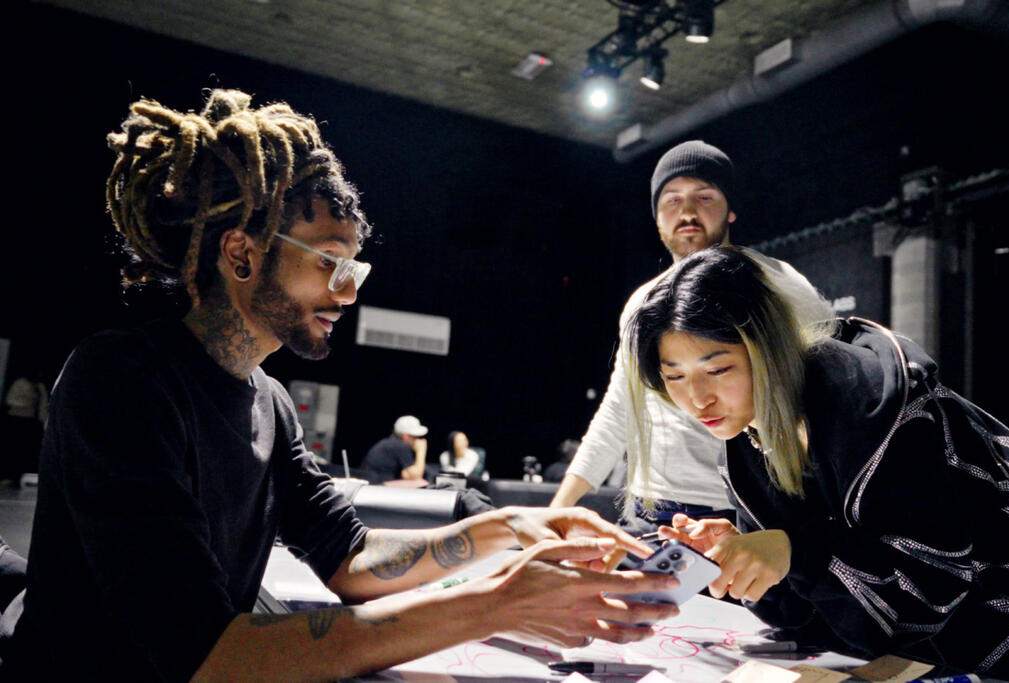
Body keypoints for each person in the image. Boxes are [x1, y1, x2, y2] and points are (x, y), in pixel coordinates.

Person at [1, 89, 681, 681]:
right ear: (241, 253)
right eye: (329, 261)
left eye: (353, 270)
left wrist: (512, 525)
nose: (345, 292)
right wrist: (497, 603)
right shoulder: (122, 381)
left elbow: (349, 555)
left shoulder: (269, 405)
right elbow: (213, 657)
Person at [626, 246, 1009, 677]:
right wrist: (748, 556)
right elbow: (806, 616)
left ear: (769, 345)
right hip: (899, 658)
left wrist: (795, 553)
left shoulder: (876, 406)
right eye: (675, 377)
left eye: (718, 369)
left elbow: (934, 585)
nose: (698, 399)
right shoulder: (745, 432)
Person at [550, 140, 830, 534]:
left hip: (754, 511)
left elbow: (824, 396)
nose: (687, 213)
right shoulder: (643, 303)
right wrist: (557, 510)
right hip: (658, 512)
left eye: (704, 196)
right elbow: (620, 410)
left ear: (730, 209)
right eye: (672, 200)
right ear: (657, 218)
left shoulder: (780, 287)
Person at [1, 367, 48, 487]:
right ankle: (8, 475)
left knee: (24, 450)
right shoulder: (20, 384)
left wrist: (43, 423)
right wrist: (27, 403)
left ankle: (18, 476)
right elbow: (11, 400)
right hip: (16, 419)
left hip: (30, 421)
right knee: (13, 448)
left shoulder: (40, 387)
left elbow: (43, 406)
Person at [363, 415, 429, 483]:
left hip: (378, 482)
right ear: (405, 436)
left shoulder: (393, 442)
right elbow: (416, 476)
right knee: (421, 483)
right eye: (415, 436)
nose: (418, 439)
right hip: (375, 485)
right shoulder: (399, 446)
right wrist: (421, 450)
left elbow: (406, 474)